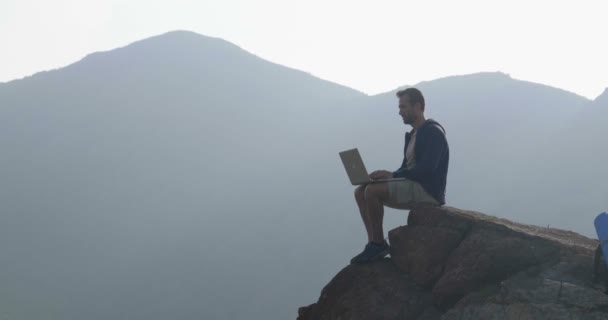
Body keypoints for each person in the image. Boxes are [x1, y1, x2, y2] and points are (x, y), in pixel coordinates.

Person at [350, 87, 449, 264]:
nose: (400, 112)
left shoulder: (433, 132)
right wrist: (387, 177)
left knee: (372, 192)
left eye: (403, 107)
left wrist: (393, 174)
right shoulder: (413, 135)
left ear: (417, 106)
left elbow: (427, 170)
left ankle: (378, 244)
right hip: (415, 186)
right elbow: (410, 169)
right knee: (360, 192)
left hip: (428, 192)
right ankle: (373, 242)